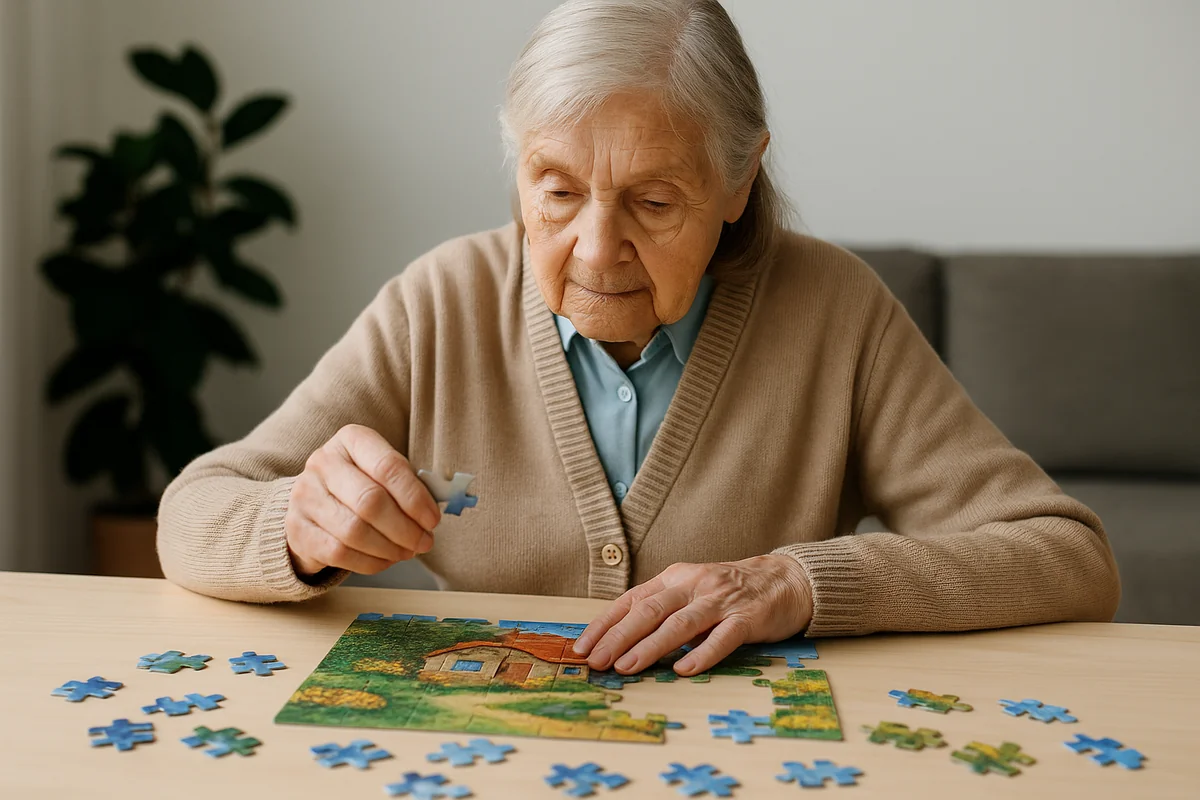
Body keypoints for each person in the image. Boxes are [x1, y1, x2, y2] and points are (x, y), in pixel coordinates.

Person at [157, 0, 1120, 678]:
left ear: (740, 184)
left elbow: (1066, 555)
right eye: (558, 191)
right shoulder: (441, 299)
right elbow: (192, 514)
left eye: (654, 202)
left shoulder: (836, 309)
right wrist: (298, 525)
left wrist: (799, 581)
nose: (596, 247)